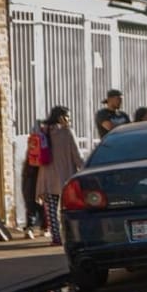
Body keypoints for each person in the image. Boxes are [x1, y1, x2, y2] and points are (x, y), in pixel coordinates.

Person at [35, 105, 84, 245]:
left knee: (51, 210)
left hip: (46, 177)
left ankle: (56, 238)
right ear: (62, 118)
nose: (70, 119)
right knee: (70, 209)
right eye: (68, 116)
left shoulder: (43, 131)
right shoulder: (67, 132)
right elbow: (77, 156)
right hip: (66, 177)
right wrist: (86, 168)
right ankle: (72, 236)